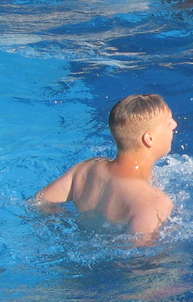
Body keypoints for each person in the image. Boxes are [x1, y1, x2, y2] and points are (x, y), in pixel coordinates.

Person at [34, 93, 178, 243]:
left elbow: (40, 201)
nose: (175, 125)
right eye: (168, 123)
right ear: (149, 139)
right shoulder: (154, 202)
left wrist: (63, 228)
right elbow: (140, 255)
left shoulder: (86, 169)